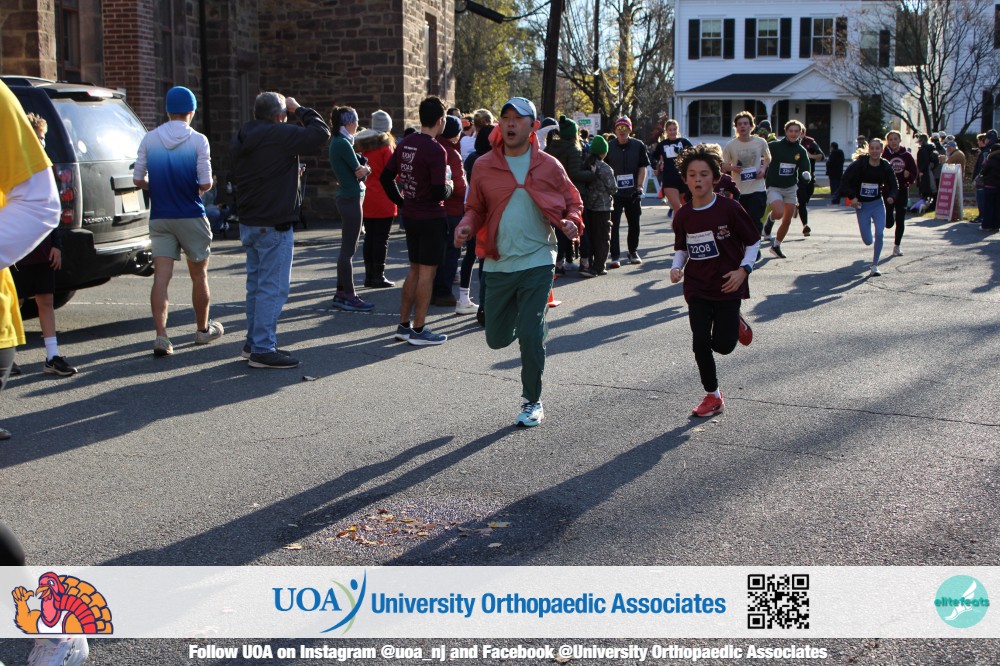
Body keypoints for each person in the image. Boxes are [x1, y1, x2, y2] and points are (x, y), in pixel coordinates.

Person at [454, 96, 583, 427]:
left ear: (533, 126)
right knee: (496, 337)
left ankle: (532, 400)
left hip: (539, 258)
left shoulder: (549, 165)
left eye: (518, 118)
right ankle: (529, 325)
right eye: (505, 117)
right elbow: (475, 207)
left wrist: (571, 221)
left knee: (529, 332)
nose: (510, 123)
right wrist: (466, 225)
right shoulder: (484, 165)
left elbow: (573, 201)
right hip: (498, 262)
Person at [230, 91, 331, 368]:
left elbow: (263, 169)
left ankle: (253, 343)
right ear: (279, 116)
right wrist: (299, 108)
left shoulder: (243, 135)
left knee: (256, 287)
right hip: (273, 222)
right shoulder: (278, 133)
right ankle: (263, 348)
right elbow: (320, 133)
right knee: (273, 289)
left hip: (250, 220)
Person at [133, 87, 223, 357]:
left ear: (167, 111)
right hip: (191, 214)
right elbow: (205, 183)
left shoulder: (150, 139)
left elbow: (138, 179)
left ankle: (161, 337)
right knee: (199, 275)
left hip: (161, 216)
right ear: (191, 112)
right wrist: (200, 186)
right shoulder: (198, 140)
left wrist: (156, 186)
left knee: (161, 278)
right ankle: (202, 329)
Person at [669, 144, 758, 418]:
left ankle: (734, 321)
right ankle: (713, 395)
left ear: (716, 178)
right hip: (697, 286)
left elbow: (753, 242)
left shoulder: (729, 209)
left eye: (704, 174)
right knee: (699, 342)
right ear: (685, 179)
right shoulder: (683, 215)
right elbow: (682, 248)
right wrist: (676, 267)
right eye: (692, 175)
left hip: (728, 285)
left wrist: (743, 270)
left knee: (723, 346)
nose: (698, 180)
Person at [380, 95, 453, 346]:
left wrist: (402, 202)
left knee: (414, 269)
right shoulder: (436, 149)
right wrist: (450, 186)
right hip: (431, 216)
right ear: (440, 120)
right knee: (427, 273)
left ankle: (404, 325)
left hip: (411, 215)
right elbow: (438, 192)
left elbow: (386, 177)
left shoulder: (406, 143)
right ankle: (419, 329)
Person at [12, 113, 77, 376]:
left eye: (43, 138)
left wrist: (56, 244)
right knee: (13, 301)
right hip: (19, 245)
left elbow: (53, 208)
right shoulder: (13, 166)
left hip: (43, 245)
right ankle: (7, 354)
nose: (42, 142)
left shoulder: (47, 168)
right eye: (37, 137)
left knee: (46, 299)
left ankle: (52, 356)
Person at [327, 105, 374, 311]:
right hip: (351, 197)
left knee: (348, 248)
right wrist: (367, 167)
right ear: (348, 122)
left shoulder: (339, 141)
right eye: (355, 121)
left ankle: (341, 292)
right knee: (348, 250)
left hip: (349, 197)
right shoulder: (343, 143)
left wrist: (364, 167)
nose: (357, 125)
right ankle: (349, 294)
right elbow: (360, 172)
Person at [544, 115, 595, 273]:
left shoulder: (550, 148)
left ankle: (559, 263)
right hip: (573, 194)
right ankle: (585, 262)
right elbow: (574, 173)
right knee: (580, 227)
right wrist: (591, 174)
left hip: (555, 194)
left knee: (560, 229)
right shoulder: (573, 150)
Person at [841, 138, 898, 276]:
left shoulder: (885, 165)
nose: (874, 151)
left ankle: (874, 265)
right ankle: (870, 245)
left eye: (877, 148)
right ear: (869, 149)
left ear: (882, 150)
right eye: (872, 148)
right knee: (868, 241)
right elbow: (846, 180)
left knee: (880, 233)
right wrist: (852, 197)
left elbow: (894, 184)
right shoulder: (861, 164)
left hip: (877, 203)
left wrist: (892, 196)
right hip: (862, 205)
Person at [355, 110, 397, 289]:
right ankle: (378, 276)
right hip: (383, 197)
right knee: (381, 239)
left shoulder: (362, 145)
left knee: (370, 238)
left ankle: (369, 276)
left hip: (366, 197)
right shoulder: (386, 147)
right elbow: (393, 172)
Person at [432, 115, 467, 307]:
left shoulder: (431, 147)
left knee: (435, 253)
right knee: (451, 253)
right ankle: (443, 292)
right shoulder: (452, 154)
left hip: (431, 209)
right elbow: (459, 187)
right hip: (451, 209)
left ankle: (430, 291)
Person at [606, 116, 650, 268]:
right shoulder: (610, 146)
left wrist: (639, 186)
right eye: (619, 128)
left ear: (630, 130)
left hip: (632, 192)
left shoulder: (638, 145)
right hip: (615, 192)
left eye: (625, 128)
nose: (622, 131)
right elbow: (605, 168)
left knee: (634, 223)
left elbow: (643, 167)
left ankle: (633, 251)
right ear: (615, 130)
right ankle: (615, 255)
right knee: (614, 224)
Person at [764, 120, 812, 258]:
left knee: (787, 219)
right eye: (791, 131)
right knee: (778, 212)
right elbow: (760, 152)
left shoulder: (801, 151)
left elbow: (805, 169)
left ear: (800, 133)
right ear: (786, 132)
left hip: (790, 188)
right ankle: (770, 221)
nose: (793, 134)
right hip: (774, 186)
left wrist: (806, 176)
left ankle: (776, 245)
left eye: (796, 131)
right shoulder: (774, 146)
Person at [722, 111, 770, 236]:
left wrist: (763, 169)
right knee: (741, 222)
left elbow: (768, 158)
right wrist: (733, 168)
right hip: (739, 190)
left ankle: (755, 245)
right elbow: (723, 165)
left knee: (755, 220)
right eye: (740, 124)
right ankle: (745, 244)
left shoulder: (760, 142)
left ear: (751, 126)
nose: (742, 126)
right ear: (736, 127)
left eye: (745, 123)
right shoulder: (730, 145)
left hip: (757, 188)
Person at [579, 134, 617, 277]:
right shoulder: (605, 168)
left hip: (589, 206)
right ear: (604, 152)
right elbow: (613, 188)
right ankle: (599, 266)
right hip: (603, 207)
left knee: (591, 237)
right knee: (603, 238)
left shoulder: (585, 164)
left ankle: (588, 263)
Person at [881, 131, 917, 256]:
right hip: (888, 190)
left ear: (900, 140)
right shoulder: (884, 155)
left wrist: (909, 176)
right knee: (889, 222)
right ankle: (889, 217)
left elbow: (914, 172)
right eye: (890, 139)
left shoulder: (906, 155)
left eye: (895, 139)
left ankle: (897, 246)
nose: (893, 141)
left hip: (902, 189)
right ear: (887, 141)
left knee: (901, 218)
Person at [652, 119, 694, 217]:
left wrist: (683, 153)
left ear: (677, 130)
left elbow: (694, 154)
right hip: (669, 178)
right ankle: (678, 226)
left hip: (683, 178)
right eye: (670, 130)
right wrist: (657, 166)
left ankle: (688, 226)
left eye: (674, 129)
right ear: (666, 131)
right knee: (677, 207)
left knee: (687, 207)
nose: (672, 132)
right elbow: (653, 157)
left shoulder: (684, 142)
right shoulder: (662, 144)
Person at [796, 131, 825, 236]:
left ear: (803, 133)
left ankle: (797, 206)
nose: (797, 134)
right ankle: (805, 225)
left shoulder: (810, 142)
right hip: (797, 177)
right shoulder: (791, 143)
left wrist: (810, 156)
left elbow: (821, 156)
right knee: (802, 201)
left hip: (810, 175)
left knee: (807, 196)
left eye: (799, 132)